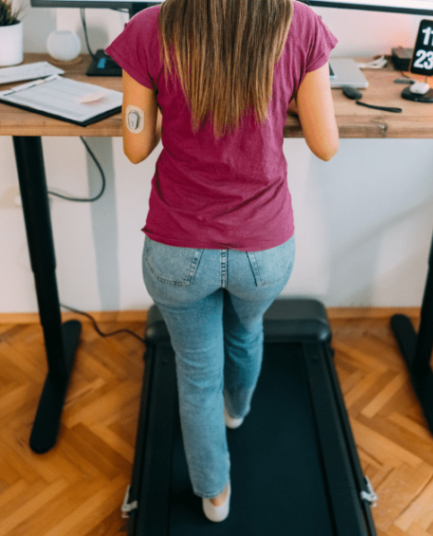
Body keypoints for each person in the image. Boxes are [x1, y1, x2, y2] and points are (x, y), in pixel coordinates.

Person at [106, 0, 338, 523]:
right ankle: (238, 410)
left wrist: (173, 104)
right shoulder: (299, 23)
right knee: (247, 330)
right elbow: (325, 144)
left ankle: (214, 495)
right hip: (264, 251)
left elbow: (136, 147)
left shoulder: (148, 28)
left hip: (176, 250)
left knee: (195, 373)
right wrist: (286, 99)